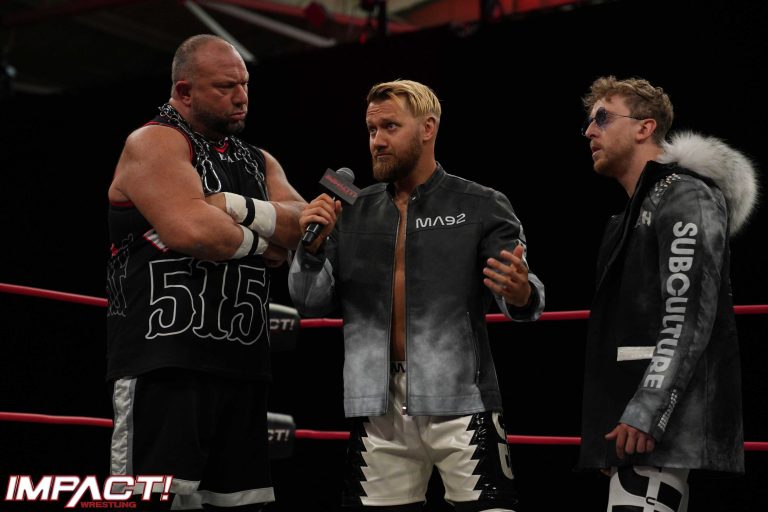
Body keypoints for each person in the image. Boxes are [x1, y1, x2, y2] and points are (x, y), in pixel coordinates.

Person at [289, 79, 545, 511]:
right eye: (372, 130)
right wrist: (311, 249)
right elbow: (308, 302)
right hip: (377, 407)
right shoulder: (349, 209)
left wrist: (520, 291)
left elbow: (524, 293)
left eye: (390, 126)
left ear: (428, 128)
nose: (377, 140)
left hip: (461, 401)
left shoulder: (480, 203)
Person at [106, 34, 305, 511]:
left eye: (245, 84)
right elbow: (194, 232)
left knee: (242, 503)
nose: (241, 97)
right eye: (225, 87)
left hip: (243, 365)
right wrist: (267, 242)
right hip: (165, 361)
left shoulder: (258, 160)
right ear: (185, 91)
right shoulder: (154, 142)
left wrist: (232, 207)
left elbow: (307, 225)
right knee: (154, 501)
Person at [579, 76, 756, 510]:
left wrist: (647, 411)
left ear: (645, 127)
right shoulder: (634, 213)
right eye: (589, 121)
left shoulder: (684, 194)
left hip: (661, 424)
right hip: (638, 423)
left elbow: (686, 315)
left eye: (602, 117)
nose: (589, 131)